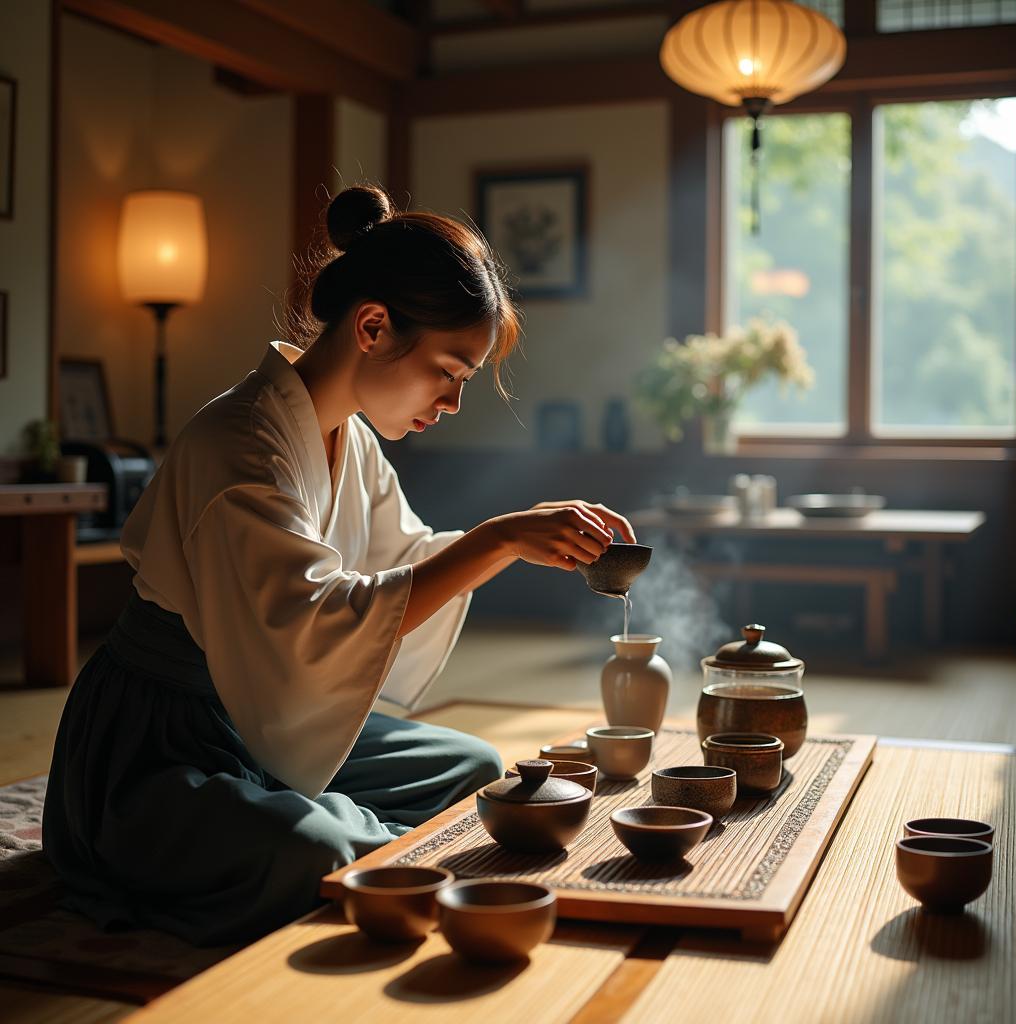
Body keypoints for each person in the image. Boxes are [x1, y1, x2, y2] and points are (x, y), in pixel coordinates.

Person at [42, 184, 636, 947]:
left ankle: (353, 833)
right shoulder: (238, 443)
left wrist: (514, 542)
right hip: (165, 735)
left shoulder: (347, 439)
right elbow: (314, 624)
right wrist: (495, 540)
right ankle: (328, 835)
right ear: (374, 326)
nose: (453, 402)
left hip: (261, 711)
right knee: (314, 851)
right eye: (449, 371)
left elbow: (404, 564)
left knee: (473, 769)